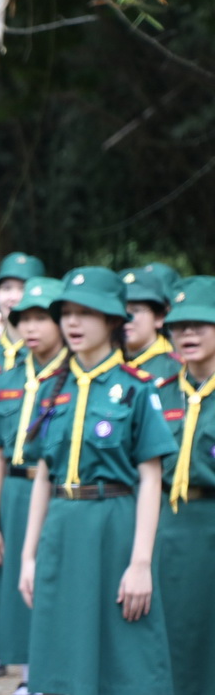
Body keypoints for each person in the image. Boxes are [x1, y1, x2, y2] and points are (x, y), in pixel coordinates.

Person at [18, 266, 176, 695]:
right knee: (62, 652)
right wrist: (28, 556)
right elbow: (43, 477)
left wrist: (141, 562)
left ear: (111, 321)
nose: (73, 322)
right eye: (67, 313)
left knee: (124, 655)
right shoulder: (52, 388)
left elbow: (150, 479)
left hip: (115, 526)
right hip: (61, 526)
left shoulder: (137, 388)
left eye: (85, 312)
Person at [0, 277, 66, 695]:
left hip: (57, 493)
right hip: (14, 493)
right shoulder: (11, 376)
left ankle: (56, 676)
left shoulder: (72, 377)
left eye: (41, 318)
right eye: (23, 319)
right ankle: (31, 679)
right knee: (18, 584)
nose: (30, 327)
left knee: (55, 581)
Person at [152, 275, 215, 695]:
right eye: (179, 326)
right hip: (166, 527)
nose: (187, 333)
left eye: (200, 324)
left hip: (210, 522)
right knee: (171, 635)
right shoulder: (157, 393)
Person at [121, 269, 182, 383]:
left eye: (136, 310)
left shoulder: (177, 368)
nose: (127, 318)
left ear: (159, 318)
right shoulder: (105, 364)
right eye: (121, 311)